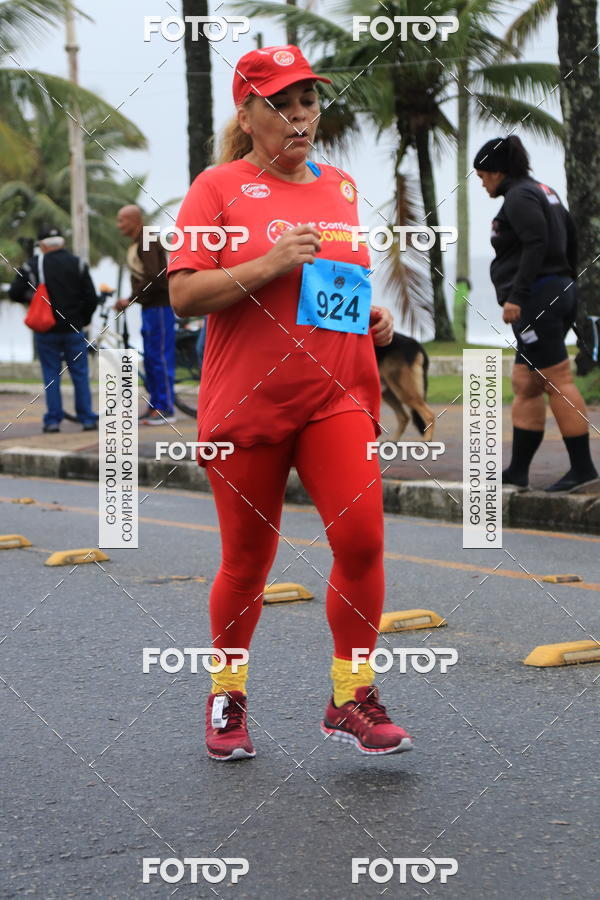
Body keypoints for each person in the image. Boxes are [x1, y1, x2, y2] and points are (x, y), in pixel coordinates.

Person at [169, 44, 413, 762]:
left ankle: (351, 696)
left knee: (364, 539)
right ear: (247, 116)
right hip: (248, 403)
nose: (298, 114)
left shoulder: (338, 188)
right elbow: (184, 294)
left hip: (336, 393)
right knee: (248, 561)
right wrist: (270, 262)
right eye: (279, 102)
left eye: (307, 100)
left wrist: (374, 319)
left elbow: (339, 290)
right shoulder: (216, 189)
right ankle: (227, 697)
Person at [474, 136, 598, 493]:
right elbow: (571, 237)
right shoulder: (543, 191)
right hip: (553, 291)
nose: (482, 183)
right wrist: (567, 287)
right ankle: (518, 472)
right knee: (526, 383)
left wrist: (518, 295)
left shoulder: (519, 197)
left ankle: (584, 469)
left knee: (557, 379)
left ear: (497, 171)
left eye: (482, 175)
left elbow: (536, 242)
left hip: (537, 298)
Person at [9, 226, 98, 433]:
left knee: (51, 375)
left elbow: (14, 292)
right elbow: (91, 298)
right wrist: (82, 320)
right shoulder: (78, 264)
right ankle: (87, 419)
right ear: (62, 243)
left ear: (43, 246)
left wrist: (32, 299)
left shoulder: (33, 265)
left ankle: (53, 421)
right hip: (74, 329)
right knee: (80, 375)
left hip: (46, 330)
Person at [116, 204, 176, 424]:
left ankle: (166, 409)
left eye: (121, 220)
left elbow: (155, 276)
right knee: (151, 359)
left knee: (159, 358)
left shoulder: (148, 238)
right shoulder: (140, 241)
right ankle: (156, 405)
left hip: (160, 307)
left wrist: (130, 299)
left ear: (135, 219)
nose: (118, 225)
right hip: (150, 308)